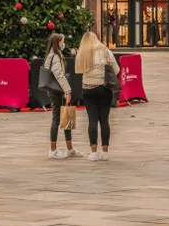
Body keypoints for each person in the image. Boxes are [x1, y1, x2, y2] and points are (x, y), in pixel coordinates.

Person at [74, 31, 119, 161]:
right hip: (104, 88)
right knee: (104, 120)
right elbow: (116, 69)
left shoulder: (82, 53)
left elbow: (78, 70)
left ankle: (93, 152)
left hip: (88, 88)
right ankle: (105, 152)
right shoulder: (105, 51)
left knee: (92, 119)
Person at [44, 33, 80, 159]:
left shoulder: (50, 55)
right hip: (57, 91)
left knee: (65, 117)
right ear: (58, 42)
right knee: (57, 119)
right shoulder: (55, 56)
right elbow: (58, 74)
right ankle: (53, 150)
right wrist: (67, 90)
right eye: (62, 41)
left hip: (56, 90)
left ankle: (69, 148)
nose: (63, 44)